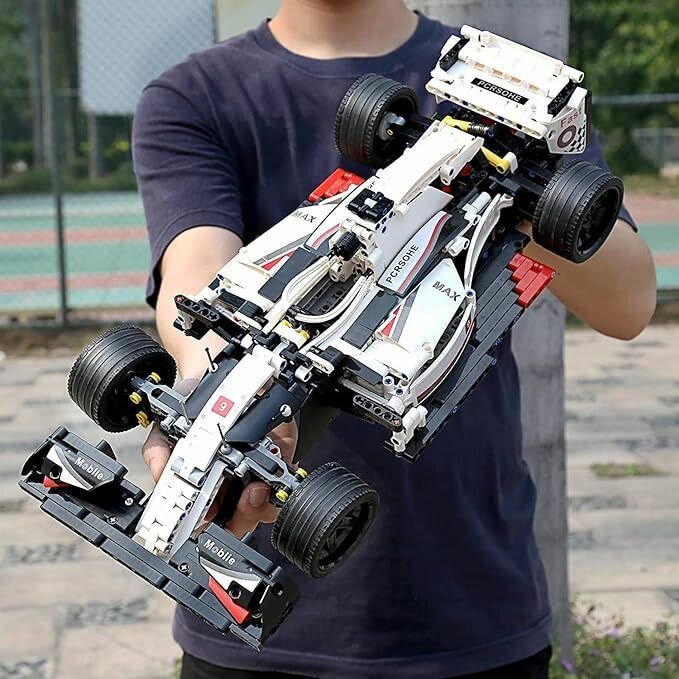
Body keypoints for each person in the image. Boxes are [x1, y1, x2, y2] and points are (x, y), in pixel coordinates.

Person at [132, 1, 656, 677]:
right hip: (248, 631)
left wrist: (519, 181)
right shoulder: (194, 94)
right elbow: (196, 271)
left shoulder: (510, 79)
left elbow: (628, 304)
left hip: (472, 603)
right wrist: (213, 388)